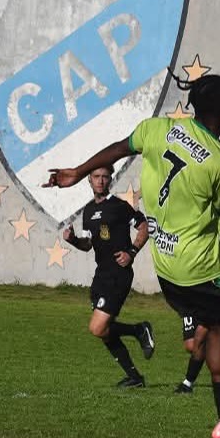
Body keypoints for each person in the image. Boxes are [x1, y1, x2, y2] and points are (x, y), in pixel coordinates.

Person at [45, 74, 220, 438]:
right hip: (200, 266)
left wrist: (76, 172)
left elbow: (119, 149)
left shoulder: (158, 130)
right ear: (218, 108)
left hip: (167, 268)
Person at [63, 165, 153, 388]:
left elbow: (144, 227)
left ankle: (139, 330)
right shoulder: (88, 211)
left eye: (105, 177)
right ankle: (134, 377)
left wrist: (131, 252)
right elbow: (88, 245)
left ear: (110, 179)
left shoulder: (120, 206)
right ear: (90, 181)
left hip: (118, 274)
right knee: (104, 331)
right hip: (100, 275)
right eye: (96, 177)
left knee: (97, 327)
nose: (101, 181)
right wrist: (73, 240)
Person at [176, 213, 220, 394]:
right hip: (192, 286)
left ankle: (188, 383)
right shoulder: (192, 220)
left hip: (219, 288)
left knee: (202, 334)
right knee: (192, 344)